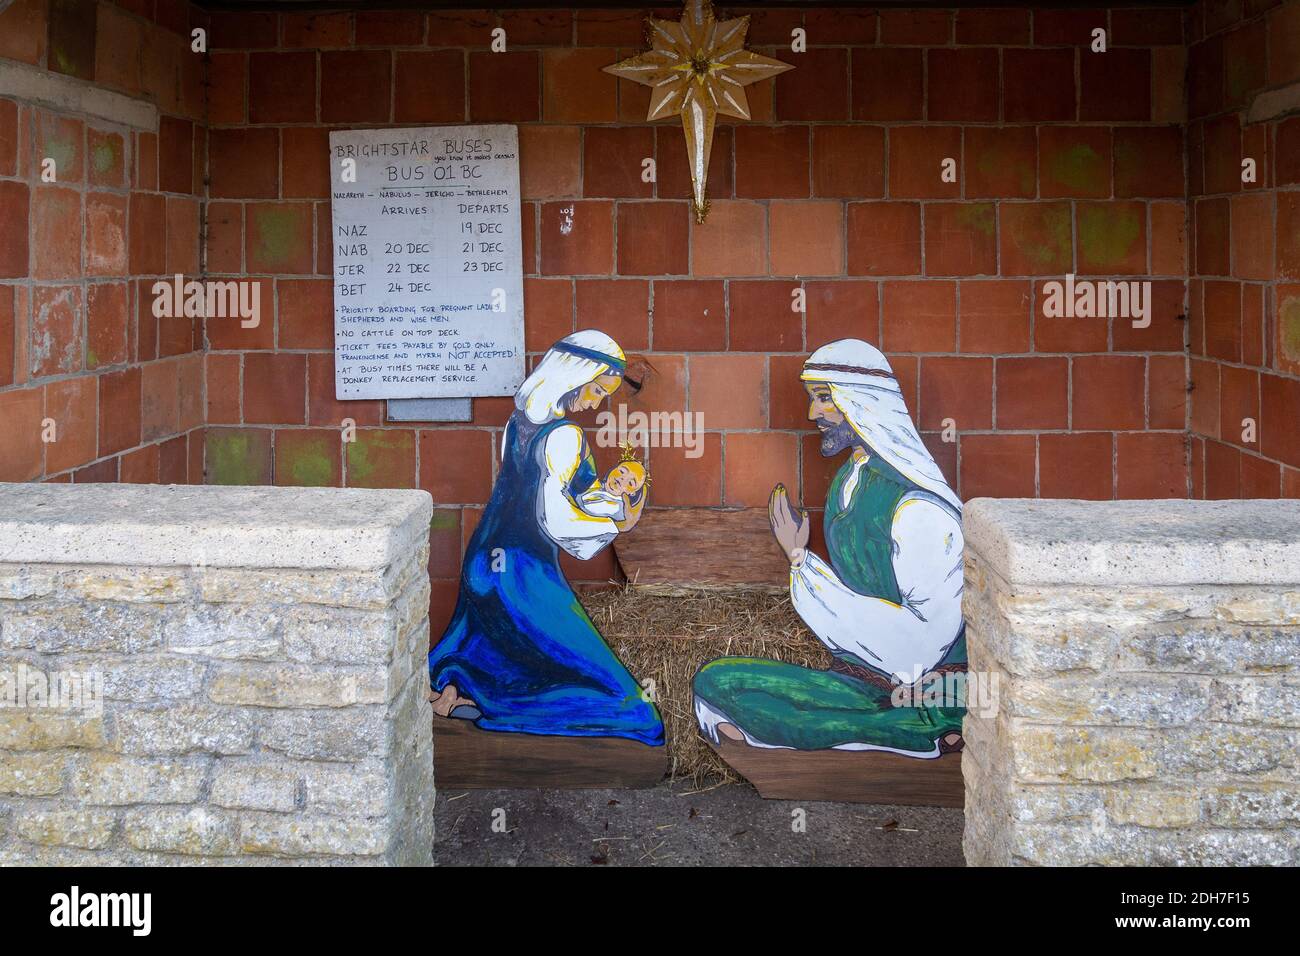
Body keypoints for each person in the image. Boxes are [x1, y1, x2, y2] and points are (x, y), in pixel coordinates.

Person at [693, 338, 965, 757]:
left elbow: (920, 646)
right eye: (812, 399)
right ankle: (883, 730)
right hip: (862, 676)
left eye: (824, 398)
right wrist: (799, 558)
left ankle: (920, 731)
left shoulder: (919, 507)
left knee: (920, 705)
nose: (811, 413)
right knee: (718, 682)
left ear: (862, 403)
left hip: (926, 682)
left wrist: (808, 573)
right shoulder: (848, 481)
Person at [428, 330, 664, 746]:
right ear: (573, 375)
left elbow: (531, 493)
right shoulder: (565, 435)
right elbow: (554, 519)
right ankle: (505, 712)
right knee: (633, 707)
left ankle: (462, 696)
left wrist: (605, 498)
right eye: (595, 390)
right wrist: (617, 525)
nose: (594, 402)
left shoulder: (516, 422)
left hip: (483, 563)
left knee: (506, 659)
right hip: (524, 571)